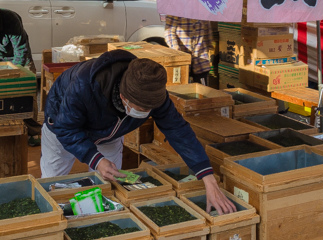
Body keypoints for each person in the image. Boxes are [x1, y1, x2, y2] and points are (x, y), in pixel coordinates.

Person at [41, 49, 236, 214]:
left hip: (110, 133)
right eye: (141, 110)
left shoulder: (151, 93)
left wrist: (208, 178)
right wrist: (96, 159)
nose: (145, 113)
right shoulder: (84, 85)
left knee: (107, 185)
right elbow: (66, 128)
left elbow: (178, 130)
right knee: (53, 180)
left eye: (148, 110)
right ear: (123, 97)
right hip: (61, 126)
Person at [165, 16, 212, 84]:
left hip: (200, 58)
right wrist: (176, 49)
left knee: (203, 89)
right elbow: (169, 32)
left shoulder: (202, 10)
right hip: (182, 57)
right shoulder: (175, 11)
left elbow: (207, 31)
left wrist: (209, 45)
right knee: (182, 87)